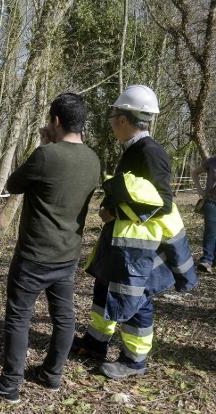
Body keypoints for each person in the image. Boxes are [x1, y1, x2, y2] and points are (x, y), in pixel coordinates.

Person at [73, 85, 198, 379]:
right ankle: (95, 343)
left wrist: (116, 211)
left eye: (114, 115)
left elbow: (164, 203)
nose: (112, 121)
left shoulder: (151, 153)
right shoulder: (133, 150)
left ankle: (134, 361)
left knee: (136, 300)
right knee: (104, 287)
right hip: (120, 240)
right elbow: (130, 190)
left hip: (138, 247)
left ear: (124, 119)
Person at [0, 93, 100, 404]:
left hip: (34, 256)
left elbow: (13, 185)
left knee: (19, 317)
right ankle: (51, 375)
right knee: (64, 316)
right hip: (68, 255)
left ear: (56, 121)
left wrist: (44, 147)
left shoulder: (46, 155)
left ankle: (10, 386)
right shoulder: (93, 159)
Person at [192, 156, 216, 273]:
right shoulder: (212, 161)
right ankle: (206, 260)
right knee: (211, 232)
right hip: (212, 202)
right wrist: (199, 190)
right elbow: (195, 173)